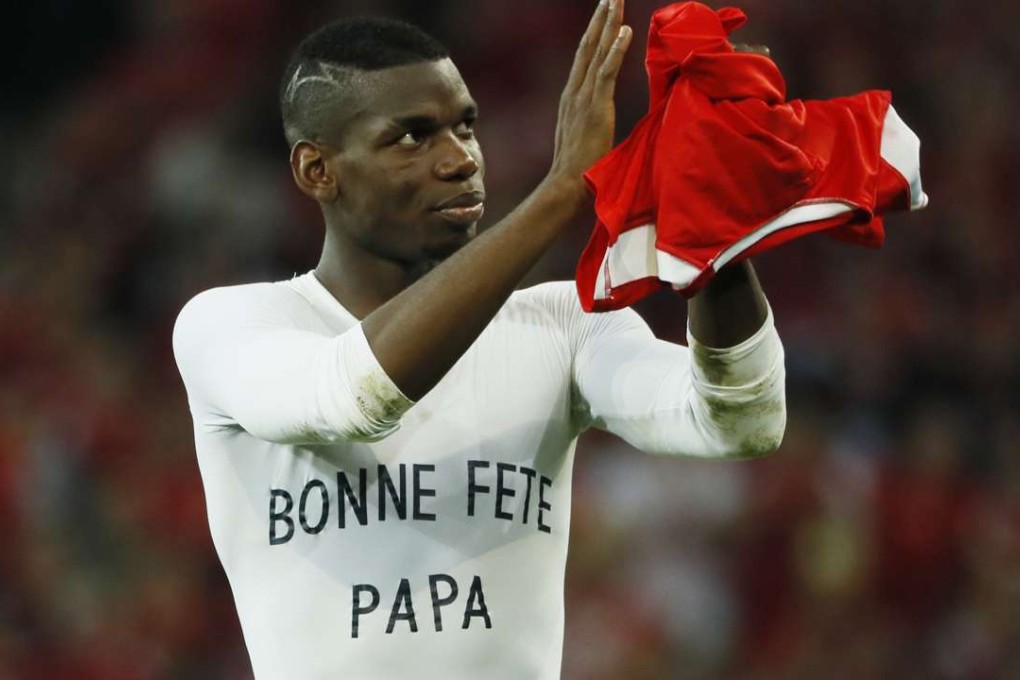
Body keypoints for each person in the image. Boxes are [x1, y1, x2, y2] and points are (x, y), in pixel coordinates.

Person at [172, 2, 786, 678]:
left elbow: (739, 422)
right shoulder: (233, 325)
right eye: (411, 137)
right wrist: (558, 195)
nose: (460, 159)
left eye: (466, 126)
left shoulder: (562, 326)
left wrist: (716, 234)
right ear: (317, 170)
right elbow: (354, 397)